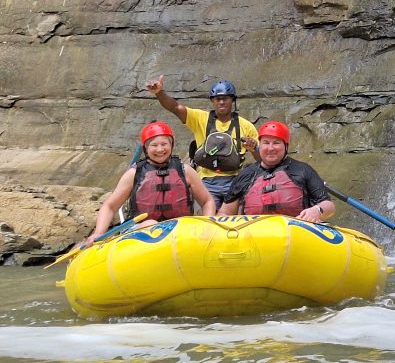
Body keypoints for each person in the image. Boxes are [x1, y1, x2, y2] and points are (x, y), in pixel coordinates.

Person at [83, 122, 216, 246]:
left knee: (187, 223)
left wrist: (207, 224)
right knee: (152, 224)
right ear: (146, 148)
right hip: (142, 231)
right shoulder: (134, 173)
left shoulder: (185, 170)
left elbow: (207, 201)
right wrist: (99, 232)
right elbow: (110, 206)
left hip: (179, 230)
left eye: (164, 144)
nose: (160, 149)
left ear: (171, 145)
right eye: (154, 145)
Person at [145, 75, 259, 208]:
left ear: (232, 100)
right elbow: (175, 108)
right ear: (213, 101)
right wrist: (159, 93)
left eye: (225, 98)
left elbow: (261, 159)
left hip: (235, 180)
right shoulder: (201, 119)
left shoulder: (246, 126)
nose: (221, 102)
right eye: (218, 99)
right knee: (204, 218)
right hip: (206, 181)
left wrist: (254, 148)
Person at [218, 121, 336, 222]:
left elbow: (328, 205)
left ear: (286, 146)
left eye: (276, 143)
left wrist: (317, 210)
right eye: (266, 143)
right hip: (254, 236)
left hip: (296, 233)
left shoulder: (302, 170)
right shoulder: (246, 174)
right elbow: (224, 213)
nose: (270, 148)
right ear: (260, 145)